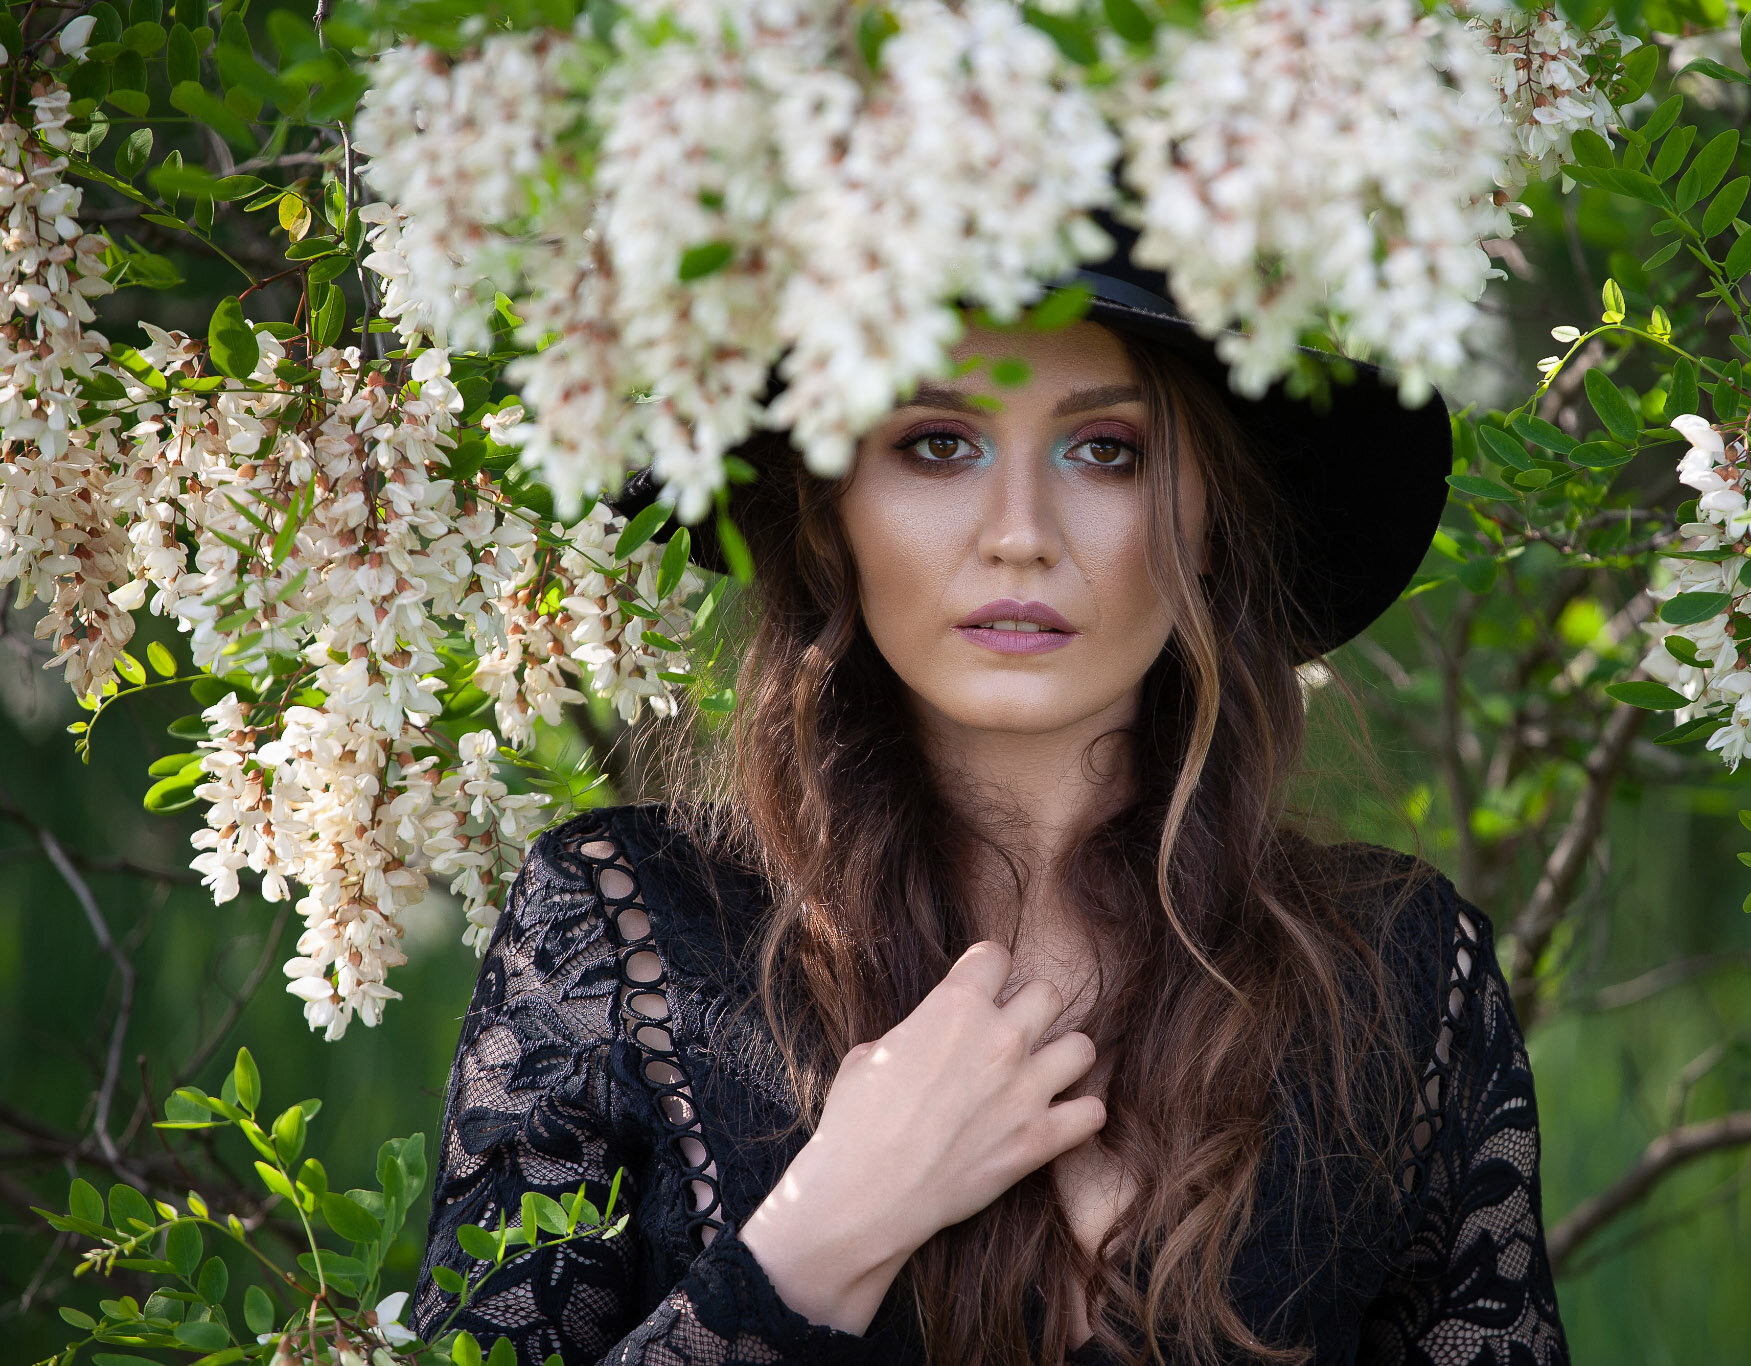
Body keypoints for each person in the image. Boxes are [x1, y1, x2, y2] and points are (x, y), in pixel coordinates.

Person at [406, 224, 1570, 1365]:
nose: (1019, 536)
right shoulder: (620, 934)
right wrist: (828, 1230)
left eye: (1106, 450)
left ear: (1210, 519)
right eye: (937, 443)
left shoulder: (1399, 977)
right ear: (826, 508)